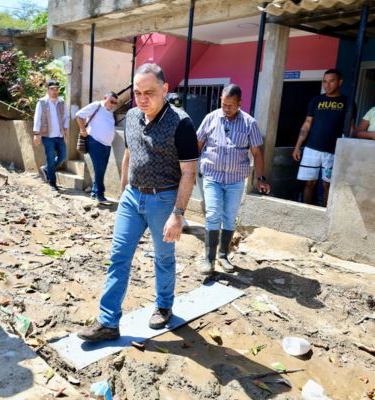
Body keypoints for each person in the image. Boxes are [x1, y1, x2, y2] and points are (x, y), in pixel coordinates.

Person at [78, 63, 198, 342]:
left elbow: (189, 172)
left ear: (165, 90)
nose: (142, 99)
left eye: (149, 93)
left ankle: (164, 306)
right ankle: (108, 322)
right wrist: (123, 194)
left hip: (164, 199)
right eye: (137, 93)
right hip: (132, 197)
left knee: (163, 258)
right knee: (118, 256)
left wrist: (178, 214)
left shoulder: (181, 123)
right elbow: (129, 155)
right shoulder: (132, 116)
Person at [197, 84, 271, 275]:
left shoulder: (249, 123)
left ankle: (223, 255)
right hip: (212, 176)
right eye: (223, 104)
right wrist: (187, 170)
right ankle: (209, 259)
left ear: (240, 103)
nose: (226, 108)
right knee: (213, 214)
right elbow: (198, 144)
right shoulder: (211, 118)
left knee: (229, 217)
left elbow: (257, 152)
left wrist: (260, 178)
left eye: (230, 105)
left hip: (235, 180)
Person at [292, 69, 353, 206]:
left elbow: (351, 128)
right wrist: (297, 146)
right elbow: (307, 124)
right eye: (325, 81)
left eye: (331, 81)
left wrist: (348, 151)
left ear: (340, 82)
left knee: (328, 184)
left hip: (333, 151)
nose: (327, 85)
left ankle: (325, 212)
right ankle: (305, 209)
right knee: (309, 183)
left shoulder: (348, 102)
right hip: (312, 148)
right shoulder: (316, 100)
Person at [75, 91, 119, 203]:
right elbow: (79, 115)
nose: (113, 104)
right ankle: (100, 195)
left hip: (107, 145)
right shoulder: (97, 105)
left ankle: (95, 193)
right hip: (95, 142)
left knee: (101, 170)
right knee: (99, 169)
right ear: (105, 98)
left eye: (115, 103)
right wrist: (83, 130)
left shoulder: (110, 111)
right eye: (111, 101)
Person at [33, 80, 69, 191]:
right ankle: (52, 183)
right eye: (52, 89)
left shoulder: (62, 102)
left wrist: (65, 132)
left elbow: (65, 117)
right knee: (50, 158)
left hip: (59, 135)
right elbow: (37, 118)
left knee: (63, 156)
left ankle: (46, 168)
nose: (55, 91)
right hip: (47, 136)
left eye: (56, 89)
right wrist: (36, 133)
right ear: (48, 89)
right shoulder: (42, 102)